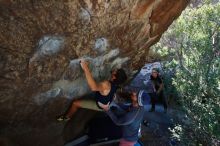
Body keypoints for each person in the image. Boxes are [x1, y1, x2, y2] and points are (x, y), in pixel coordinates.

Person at [57, 60, 127, 122]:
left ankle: (66, 118)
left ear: (114, 77)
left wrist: (85, 68)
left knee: (75, 103)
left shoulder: (107, 85)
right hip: (105, 103)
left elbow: (93, 87)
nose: (115, 69)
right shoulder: (116, 84)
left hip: (100, 106)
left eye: (116, 71)